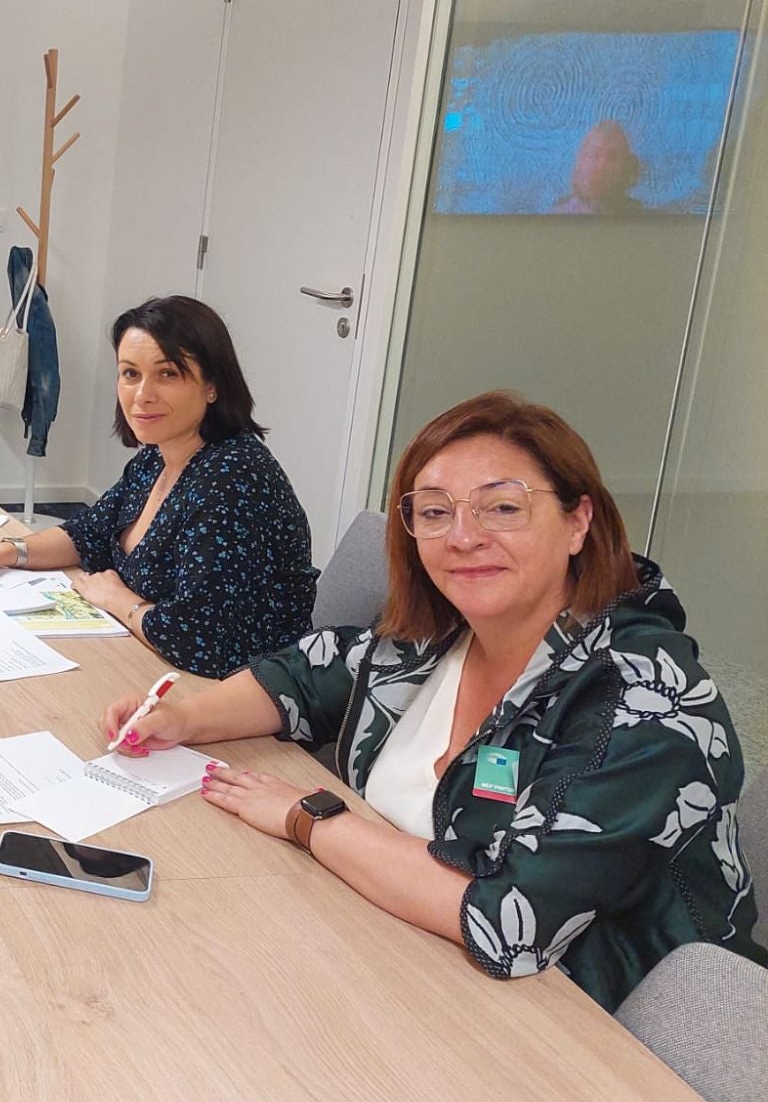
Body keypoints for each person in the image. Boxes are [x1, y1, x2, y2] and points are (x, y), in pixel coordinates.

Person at [101, 392, 761, 1010]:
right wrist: (184, 715)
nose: (464, 537)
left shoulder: (646, 700)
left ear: (577, 521)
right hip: (391, 953)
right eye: (436, 511)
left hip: (586, 1019)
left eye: (503, 507)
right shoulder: (441, 632)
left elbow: (509, 921)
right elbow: (304, 674)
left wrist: (310, 819)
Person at [0, 295, 315, 677]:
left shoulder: (233, 479)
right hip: (148, 660)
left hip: (230, 694)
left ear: (212, 385)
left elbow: (200, 642)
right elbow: (87, 534)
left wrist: (118, 599)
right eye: (130, 374)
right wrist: (0, 554)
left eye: (168, 374)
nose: (143, 395)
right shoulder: (157, 455)